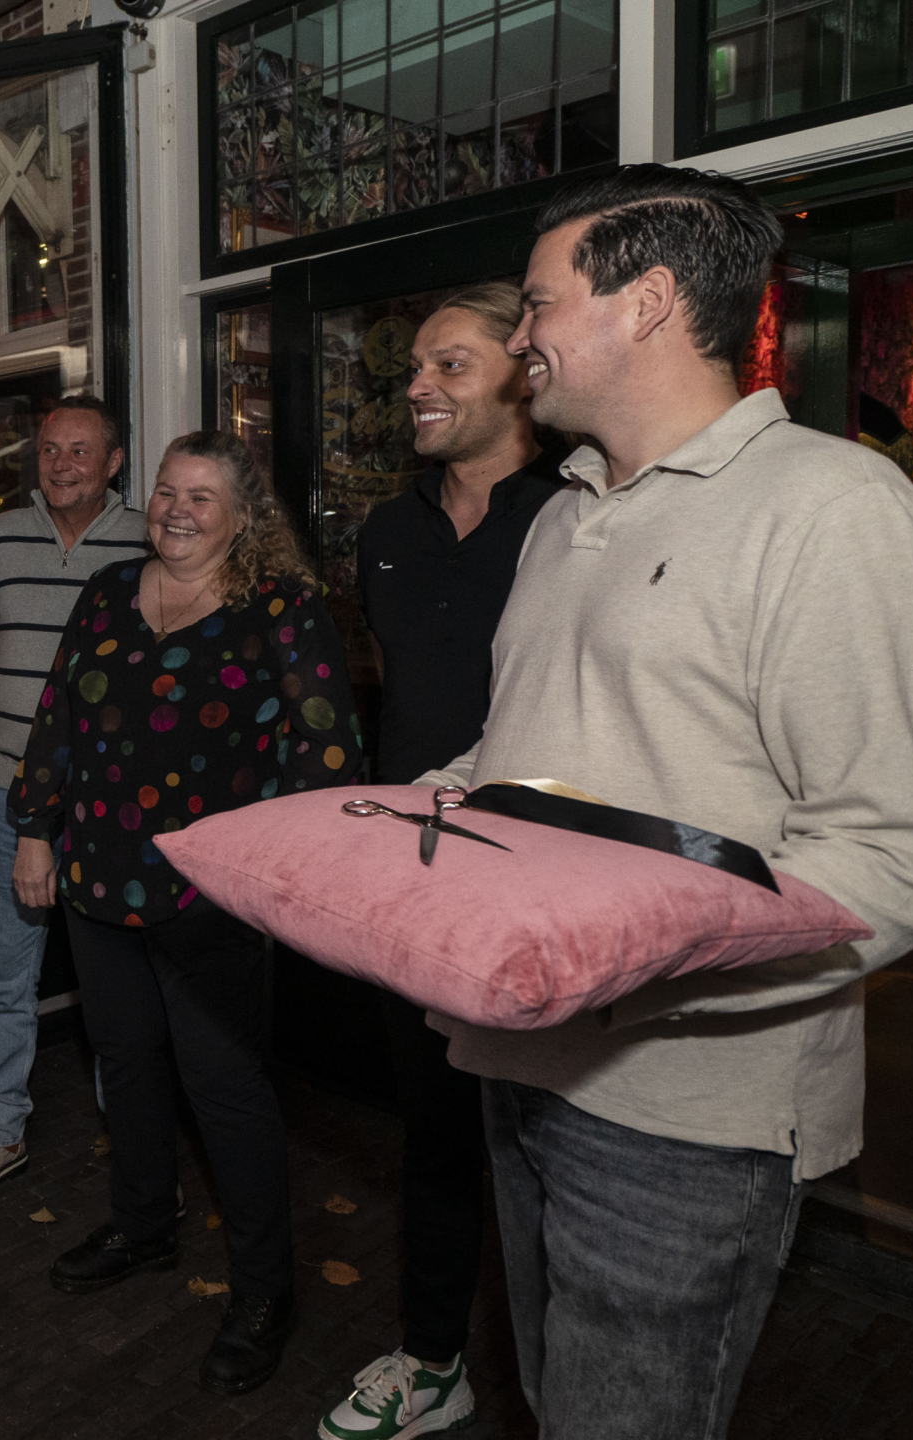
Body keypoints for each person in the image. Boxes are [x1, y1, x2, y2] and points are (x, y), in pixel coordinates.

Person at [421, 165, 913, 1437]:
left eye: (540, 304)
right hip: (517, 1061)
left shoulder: (834, 512)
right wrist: (407, 829)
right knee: (555, 1404)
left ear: (648, 300)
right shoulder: (559, 518)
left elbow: (892, 859)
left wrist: (640, 961)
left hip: (685, 1113)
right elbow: (522, 757)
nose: (517, 340)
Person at [11, 432, 361, 1397]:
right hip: (99, 878)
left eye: (203, 497)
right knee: (123, 1066)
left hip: (216, 892)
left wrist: (285, 874)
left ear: (245, 515)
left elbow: (325, 754)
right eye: (168, 491)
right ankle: (143, 1227)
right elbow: (59, 720)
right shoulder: (107, 595)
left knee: (227, 1090)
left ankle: (262, 1292)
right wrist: (35, 827)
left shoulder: (282, 608)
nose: (177, 510)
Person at [314, 281, 560, 1440]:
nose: (417, 384)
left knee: (553, 1142)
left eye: (450, 366)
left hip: (547, 876)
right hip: (417, 874)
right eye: (414, 365)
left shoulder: (573, 516)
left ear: (520, 373)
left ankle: (562, 1374)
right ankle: (430, 1357)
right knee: (435, 1132)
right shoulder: (387, 532)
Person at [0, 395, 148, 1207]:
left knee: (121, 972)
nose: (61, 464)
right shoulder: (0, 536)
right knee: (6, 972)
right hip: (16, 797)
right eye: (51, 450)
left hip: (116, 803)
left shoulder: (146, 539)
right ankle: (0, 1128)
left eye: (80, 451)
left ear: (114, 462)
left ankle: (130, 1121)